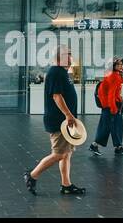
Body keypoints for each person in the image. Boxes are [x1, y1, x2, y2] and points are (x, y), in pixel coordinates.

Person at [23, 43, 85, 195]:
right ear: (59, 57)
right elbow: (57, 96)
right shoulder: (55, 72)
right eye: (67, 55)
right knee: (59, 153)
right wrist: (68, 115)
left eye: (70, 55)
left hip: (66, 121)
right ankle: (32, 175)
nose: (70, 59)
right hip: (59, 120)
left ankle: (66, 185)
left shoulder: (62, 72)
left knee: (67, 153)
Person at [89, 57, 123, 156]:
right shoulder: (115, 76)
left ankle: (118, 146)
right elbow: (111, 94)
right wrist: (113, 108)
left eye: (121, 64)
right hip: (111, 106)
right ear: (113, 66)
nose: (121, 66)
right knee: (108, 127)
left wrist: (118, 98)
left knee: (112, 126)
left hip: (108, 105)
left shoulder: (111, 75)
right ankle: (94, 145)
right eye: (118, 64)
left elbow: (112, 92)